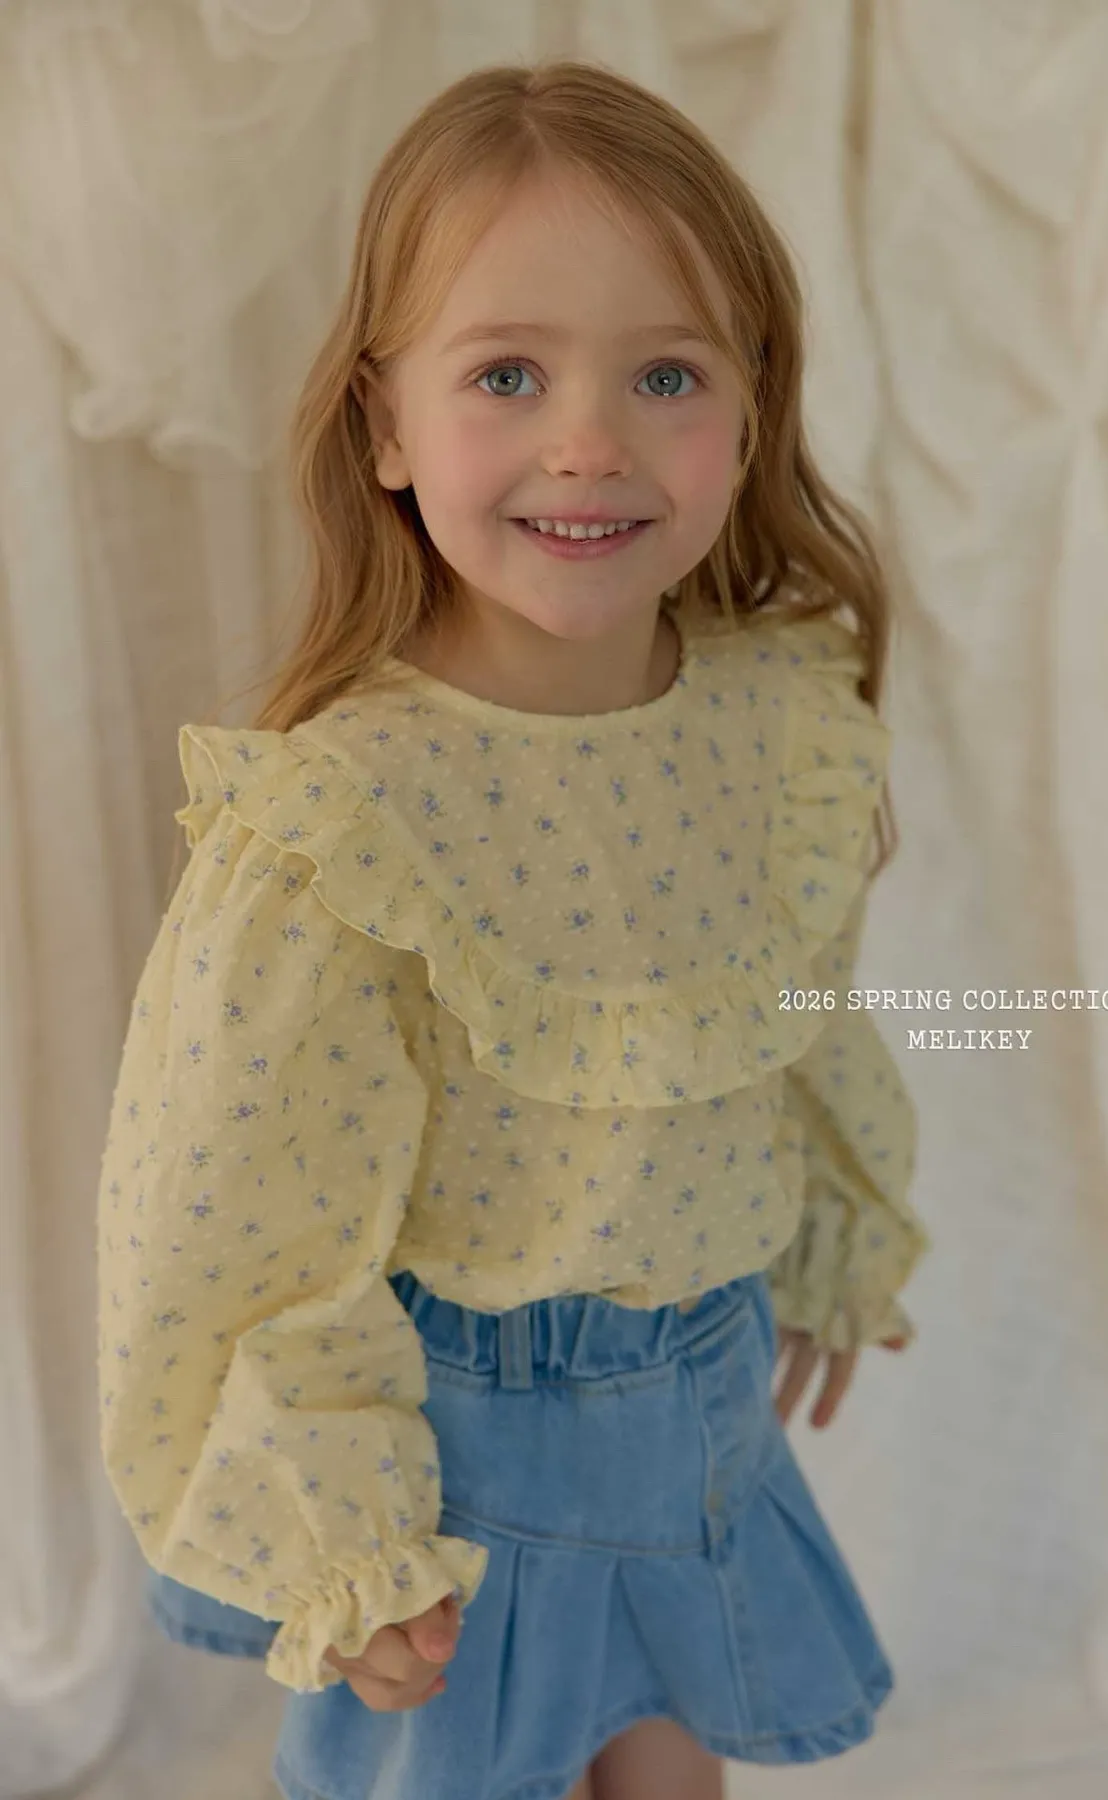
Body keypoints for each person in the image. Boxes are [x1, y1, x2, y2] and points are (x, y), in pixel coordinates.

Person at [96, 56, 930, 1800]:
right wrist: (347, 1537)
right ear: (386, 426)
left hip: (706, 1405)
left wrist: (840, 1224)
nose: (590, 441)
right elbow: (245, 1219)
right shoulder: (349, 828)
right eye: (507, 374)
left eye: (666, 374)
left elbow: (797, 1013)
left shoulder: (771, 723)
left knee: (670, 1767)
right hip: (464, 1469)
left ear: (751, 405)